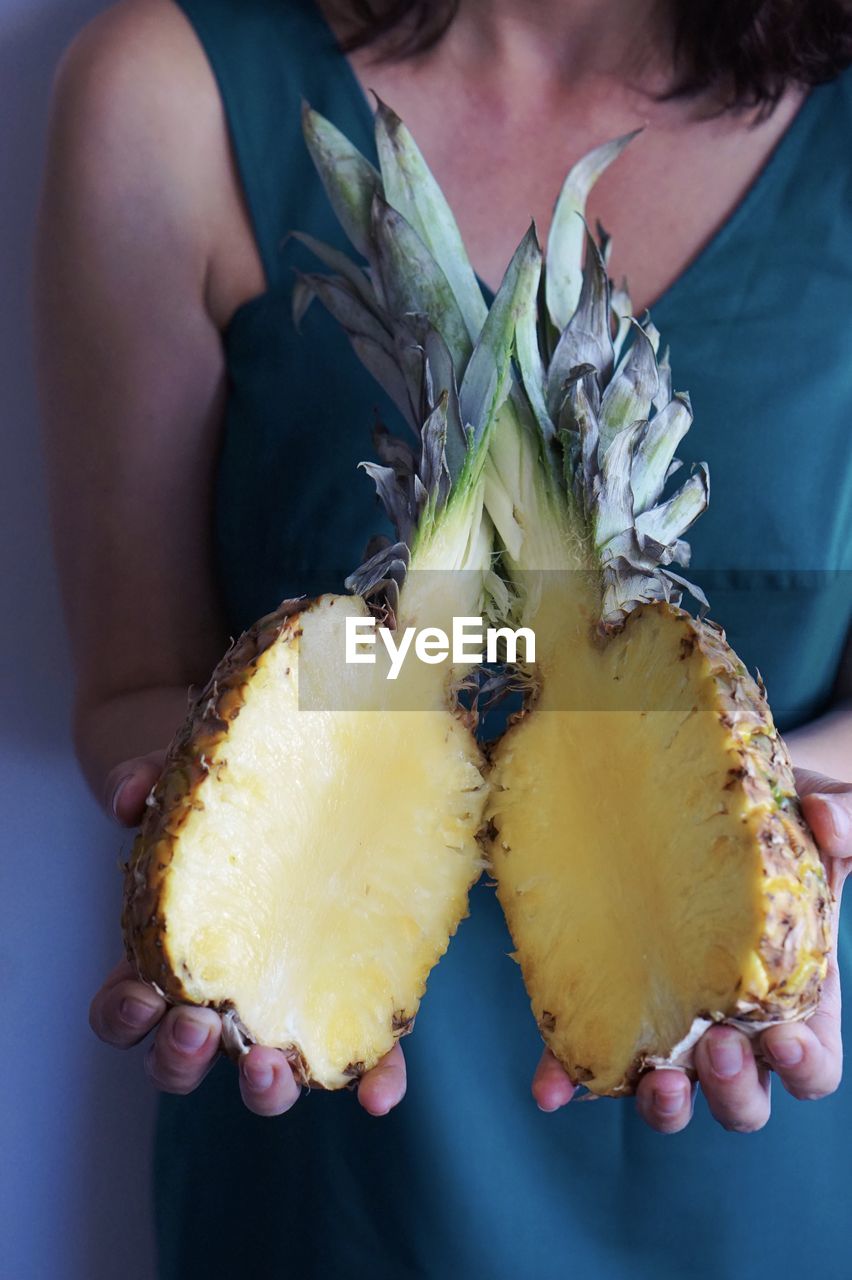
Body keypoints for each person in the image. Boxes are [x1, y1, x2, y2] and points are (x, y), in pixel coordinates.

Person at [36, 0, 852, 1275]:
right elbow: (135, 676)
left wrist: (799, 801)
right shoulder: (168, 86)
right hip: (336, 1189)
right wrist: (214, 777)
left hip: (765, 1182)